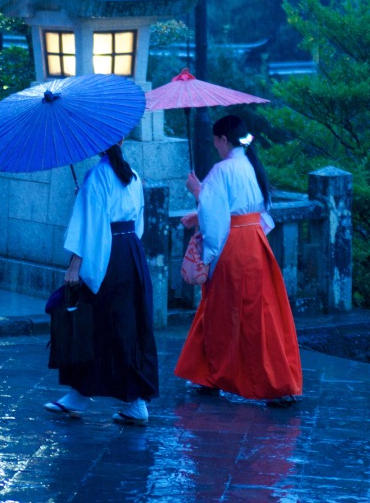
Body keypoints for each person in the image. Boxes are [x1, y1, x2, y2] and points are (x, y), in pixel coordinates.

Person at [174, 114, 302, 403]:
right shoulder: (251, 166)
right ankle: (212, 374)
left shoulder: (222, 170)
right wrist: (203, 207)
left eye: (216, 141)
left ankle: (229, 376)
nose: (215, 146)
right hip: (254, 241)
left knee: (222, 309)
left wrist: (199, 194)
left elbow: (216, 219)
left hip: (233, 245)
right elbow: (256, 209)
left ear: (223, 139)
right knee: (258, 312)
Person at [44, 140, 159, 425]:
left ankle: (85, 396)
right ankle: (125, 400)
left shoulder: (97, 175)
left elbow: (90, 223)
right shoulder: (131, 175)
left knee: (94, 323)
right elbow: (138, 224)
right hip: (130, 252)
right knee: (126, 326)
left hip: (106, 254)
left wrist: (75, 264)